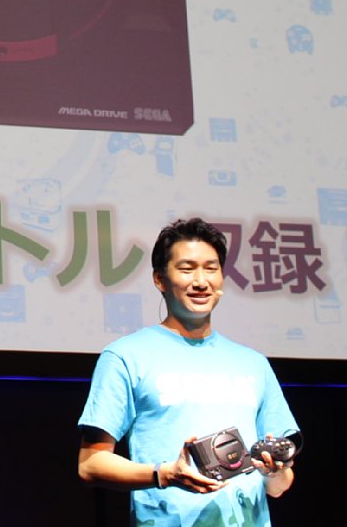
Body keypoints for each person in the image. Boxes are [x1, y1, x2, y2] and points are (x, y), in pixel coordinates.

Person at [77, 217, 298, 526]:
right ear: (160, 279)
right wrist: (164, 474)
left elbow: (279, 485)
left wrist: (275, 471)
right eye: (187, 269)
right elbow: (90, 464)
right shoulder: (126, 356)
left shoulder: (254, 364)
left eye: (211, 268)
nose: (201, 281)